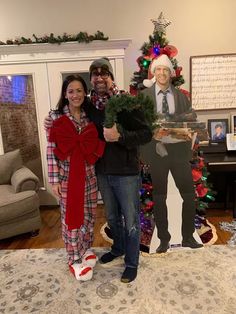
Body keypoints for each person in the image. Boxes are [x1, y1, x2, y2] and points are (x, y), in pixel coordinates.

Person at [45, 58, 153, 283]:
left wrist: (120, 136)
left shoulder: (126, 101)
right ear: (91, 80)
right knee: (112, 217)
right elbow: (66, 117)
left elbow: (146, 133)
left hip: (126, 173)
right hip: (100, 172)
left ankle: (131, 262)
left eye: (104, 73)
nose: (100, 77)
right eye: (95, 73)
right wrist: (51, 120)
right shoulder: (90, 106)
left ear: (111, 77)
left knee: (131, 221)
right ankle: (118, 248)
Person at [141, 54, 203, 253]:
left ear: (170, 73)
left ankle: (186, 237)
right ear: (154, 72)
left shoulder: (181, 96)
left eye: (165, 70)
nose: (162, 73)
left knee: (188, 194)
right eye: (158, 70)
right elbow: (140, 125)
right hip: (157, 153)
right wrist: (152, 137)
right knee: (160, 196)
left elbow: (190, 119)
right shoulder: (144, 96)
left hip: (178, 153)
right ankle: (164, 240)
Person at [46, 74, 105, 281]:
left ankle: (86, 248)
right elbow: (51, 150)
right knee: (71, 219)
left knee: (89, 216)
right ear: (65, 94)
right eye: (71, 91)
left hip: (89, 177)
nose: (75, 95)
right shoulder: (55, 118)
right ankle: (74, 258)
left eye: (79, 90)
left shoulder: (91, 117)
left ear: (85, 92)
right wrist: (54, 181)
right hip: (67, 178)